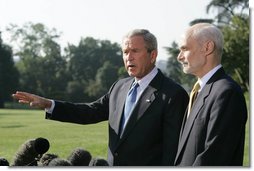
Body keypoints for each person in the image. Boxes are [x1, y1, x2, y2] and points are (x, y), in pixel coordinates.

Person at [13, 29, 189, 166]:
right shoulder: (120, 87)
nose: (129, 57)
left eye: (135, 51)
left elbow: (173, 152)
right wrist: (48, 104)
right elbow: (90, 112)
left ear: (153, 55)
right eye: (125, 51)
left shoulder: (174, 95)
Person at [174, 23, 248, 166]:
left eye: (184, 49)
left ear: (207, 48)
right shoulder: (199, 90)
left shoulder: (226, 93)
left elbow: (214, 157)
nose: (179, 57)